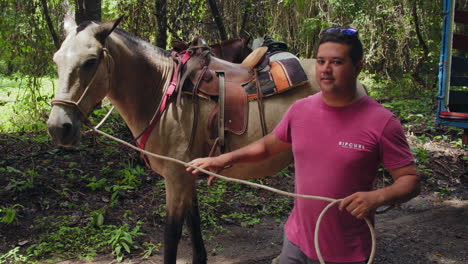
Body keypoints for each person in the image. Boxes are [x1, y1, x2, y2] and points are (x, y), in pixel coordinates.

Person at [186, 27, 420, 264]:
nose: (326, 70)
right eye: (321, 61)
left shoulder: (382, 122)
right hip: (295, 245)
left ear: (358, 67)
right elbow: (268, 147)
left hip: (348, 253)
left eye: (337, 62)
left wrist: (378, 197)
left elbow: (410, 180)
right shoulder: (301, 109)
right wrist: (222, 159)